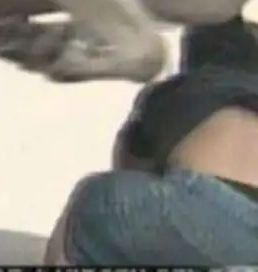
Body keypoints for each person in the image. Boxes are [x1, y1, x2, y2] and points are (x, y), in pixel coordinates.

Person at [44, 15, 258, 265]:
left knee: (99, 202)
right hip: (227, 221)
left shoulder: (182, 92)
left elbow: (129, 164)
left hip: (219, 217)